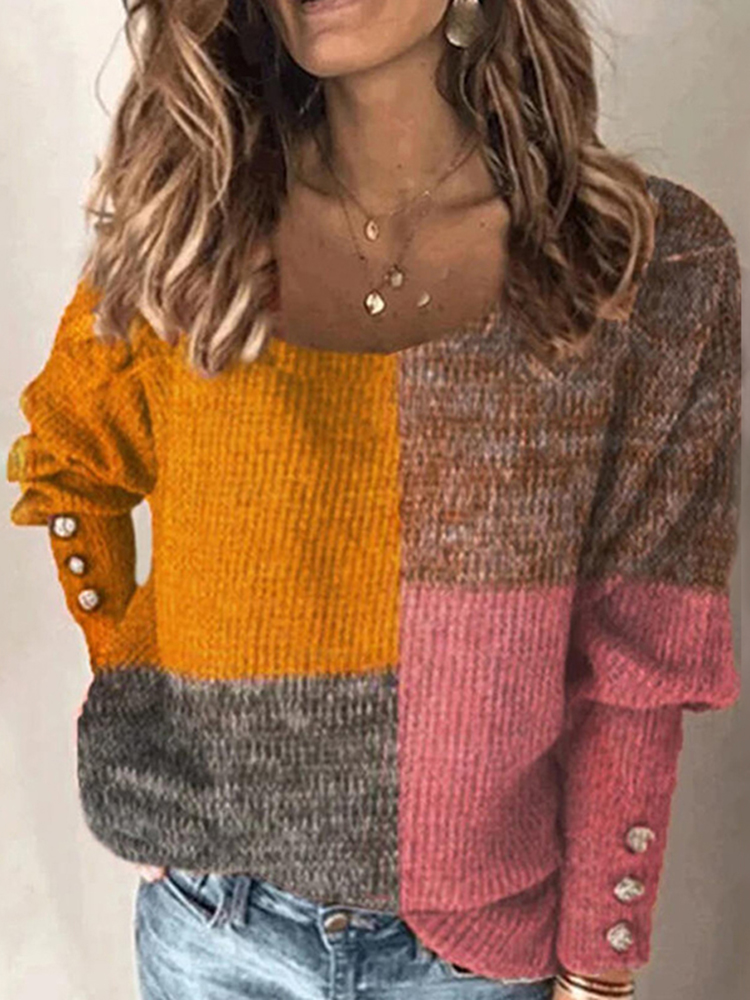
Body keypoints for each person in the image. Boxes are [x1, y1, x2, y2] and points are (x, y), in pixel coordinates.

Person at [6, 0, 741, 998]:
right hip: (212, 931)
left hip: (472, 963)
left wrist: (599, 968)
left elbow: (639, 660)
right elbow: (68, 465)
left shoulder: (642, 266)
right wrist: (131, 679)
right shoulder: (190, 231)